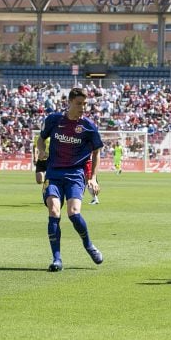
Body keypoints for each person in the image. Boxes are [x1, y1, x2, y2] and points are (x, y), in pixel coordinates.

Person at [36, 87, 104, 272]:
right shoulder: (54, 120)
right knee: (54, 210)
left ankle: (88, 245)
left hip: (75, 175)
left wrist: (93, 177)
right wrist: (41, 150)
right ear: (69, 103)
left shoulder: (88, 126)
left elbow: (97, 151)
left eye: (85, 104)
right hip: (54, 174)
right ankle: (56, 259)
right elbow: (41, 139)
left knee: (73, 213)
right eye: (79, 104)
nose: (82, 108)